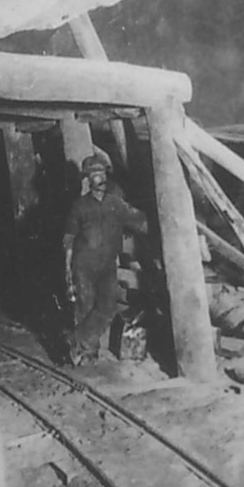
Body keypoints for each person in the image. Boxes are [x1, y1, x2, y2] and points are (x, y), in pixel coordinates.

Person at [64, 154, 148, 365]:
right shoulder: (79, 206)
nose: (98, 178)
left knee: (108, 307)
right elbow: (69, 239)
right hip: (83, 264)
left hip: (108, 264)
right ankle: (88, 354)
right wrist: (67, 269)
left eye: (101, 173)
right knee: (85, 306)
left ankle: (76, 338)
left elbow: (140, 221)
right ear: (87, 179)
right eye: (94, 174)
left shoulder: (116, 203)